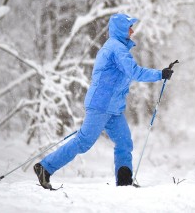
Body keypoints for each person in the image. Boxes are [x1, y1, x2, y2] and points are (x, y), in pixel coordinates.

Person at [34, 13, 174, 189]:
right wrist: (160, 74)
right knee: (83, 142)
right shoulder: (116, 49)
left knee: (124, 142)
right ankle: (45, 168)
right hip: (101, 105)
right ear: (121, 29)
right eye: (129, 27)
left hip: (113, 108)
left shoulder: (116, 47)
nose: (132, 31)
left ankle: (124, 182)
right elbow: (134, 72)